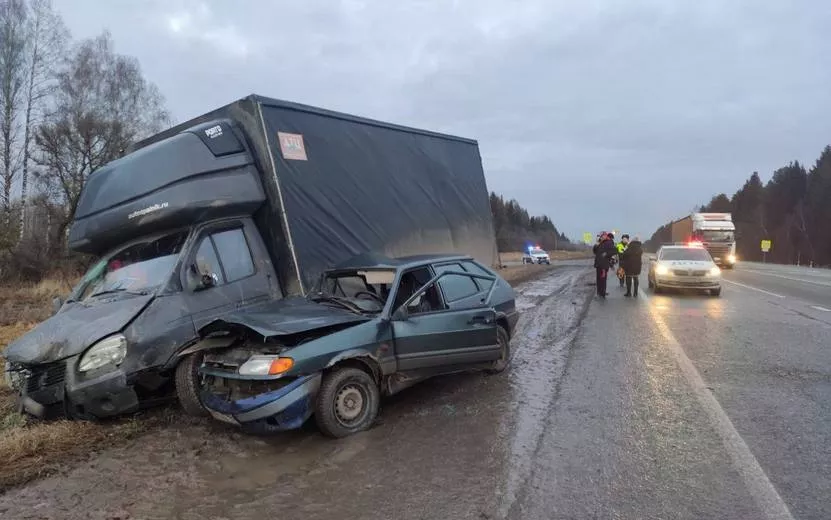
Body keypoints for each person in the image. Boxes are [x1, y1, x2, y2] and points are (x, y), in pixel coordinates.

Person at [594, 232, 618, 298]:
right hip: (598, 264)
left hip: (604, 265)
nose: (603, 237)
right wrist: (596, 244)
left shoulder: (609, 242)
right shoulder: (599, 243)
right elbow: (595, 252)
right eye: (602, 236)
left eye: (604, 236)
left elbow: (615, 251)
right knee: (598, 280)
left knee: (603, 280)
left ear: (606, 236)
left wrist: (606, 253)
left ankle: (602, 294)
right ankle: (599, 293)